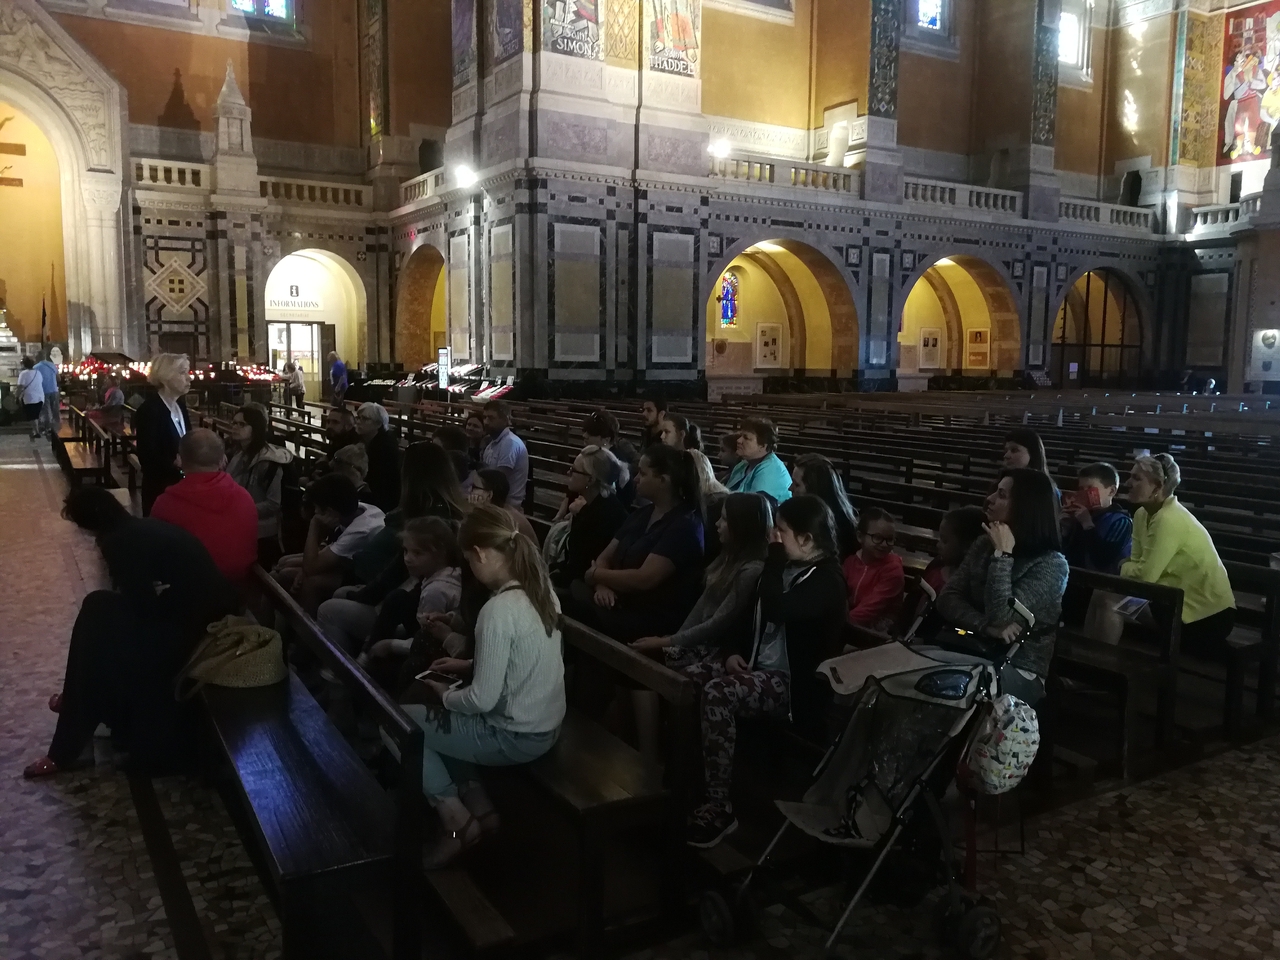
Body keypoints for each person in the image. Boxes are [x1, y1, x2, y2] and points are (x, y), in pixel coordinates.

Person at [24, 487, 238, 779]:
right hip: (199, 612)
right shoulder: (138, 527)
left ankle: (70, 729)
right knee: (96, 612)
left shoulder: (118, 541)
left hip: (195, 626)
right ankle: (75, 707)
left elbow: (143, 606)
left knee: (97, 632)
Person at [683, 494, 848, 848]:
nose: (774, 536)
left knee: (718, 694)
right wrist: (732, 653)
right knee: (689, 675)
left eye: (781, 531)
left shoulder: (828, 580)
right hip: (757, 670)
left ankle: (719, 806)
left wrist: (772, 560)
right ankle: (686, 779)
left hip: (794, 687)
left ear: (806, 539)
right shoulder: (782, 568)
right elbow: (746, 620)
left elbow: (777, 609)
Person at [406, 504, 565, 867]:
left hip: (514, 736)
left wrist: (446, 695)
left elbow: (481, 700)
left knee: (401, 724)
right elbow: (524, 662)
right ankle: (482, 809)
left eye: (468, 560)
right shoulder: (541, 590)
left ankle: (457, 823)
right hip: (545, 726)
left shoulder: (498, 611)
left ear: (478, 553)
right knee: (438, 727)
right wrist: (468, 665)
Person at [933, 468, 1069, 705]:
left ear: (1025, 507)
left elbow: (1002, 616)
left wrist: (1003, 556)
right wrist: (985, 627)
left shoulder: (1051, 565)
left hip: (1019, 666)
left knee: (944, 687)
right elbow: (947, 597)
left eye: (1002, 495)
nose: (990, 499)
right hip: (970, 648)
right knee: (907, 671)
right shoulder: (983, 544)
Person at [579, 445, 705, 641]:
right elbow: (604, 557)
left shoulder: (685, 526)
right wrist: (601, 585)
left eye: (643, 473)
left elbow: (644, 579)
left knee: (570, 606)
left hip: (649, 620)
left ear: (663, 480)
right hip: (617, 602)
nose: (636, 479)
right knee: (569, 597)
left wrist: (595, 574)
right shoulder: (642, 514)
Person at [1122, 454, 1236, 661]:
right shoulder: (1141, 514)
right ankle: (1095, 665)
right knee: (1106, 597)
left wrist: (1123, 567)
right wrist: (1130, 568)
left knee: (1109, 600)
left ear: (1158, 486)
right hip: (1172, 602)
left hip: (1206, 616)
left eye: (1137, 478)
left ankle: (1102, 668)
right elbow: (1137, 563)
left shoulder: (1169, 519)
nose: (1128, 483)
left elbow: (1144, 576)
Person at [631, 492, 772, 658]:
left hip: (717, 650)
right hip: (697, 641)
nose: (717, 523)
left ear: (741, 526)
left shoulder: (750, 571)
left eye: (725, 519)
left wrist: (668, 643)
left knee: (649, 652)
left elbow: (719, 623)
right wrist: (672, 640)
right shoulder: (727, 558)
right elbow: (702, 606)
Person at [150, 429, 260, 584]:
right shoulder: (244, 497)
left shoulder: (165, 504)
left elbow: (156, 554)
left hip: (189, 589)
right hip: (240, 584)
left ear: (179, 459)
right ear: (222, 460)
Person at [274, 473, 386, 612]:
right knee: (283, 563)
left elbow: (310, 567)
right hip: (347, 564)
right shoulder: (357, 509)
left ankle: (304, 623)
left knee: (304, 579)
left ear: (329, 511)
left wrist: (314, 525)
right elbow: (327, 548)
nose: (315, 511)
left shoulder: (360, 531)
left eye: (316, 507)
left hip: (364, 577)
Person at [550, 445, 630, 589]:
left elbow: (582, 567)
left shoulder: (605, 515)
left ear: (590, 480)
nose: (568, 472)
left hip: (590, 587)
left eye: (574, 470)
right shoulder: (592, 505)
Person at [226, 405, 295, 556]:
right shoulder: (238, 453)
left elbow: (273, 503)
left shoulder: (268, 461)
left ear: (256, 428)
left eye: (242, 424)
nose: (235, 427)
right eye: (234, 423)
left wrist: (241, 509)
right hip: (239, 524)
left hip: (262, 531)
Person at [135, 353, 192, 515]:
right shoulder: (150, 410)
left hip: (181, 487)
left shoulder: (180, 406)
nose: (189, 378)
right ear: (166, 376)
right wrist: (174, 463)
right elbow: (147, 456)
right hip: (160, 490)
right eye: (182, 372)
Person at [1061, 462, 1133, 574]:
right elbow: (1068, 555)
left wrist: (1087, 525)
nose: (1085, 493)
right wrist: (1065, 530)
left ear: (1111, 491)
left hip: (1101, 581)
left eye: (1090, 488)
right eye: (1081, 489)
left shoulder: (1121, 521)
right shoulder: (1079, 515)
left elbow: (1102, 562)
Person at [844, 507, 905, 632]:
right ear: (860, 537)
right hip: (852, 621)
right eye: (877, 538)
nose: (884, 544)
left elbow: (871, 608)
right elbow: (838, 592)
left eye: (889, 539)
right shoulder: (851, 561)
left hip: (878, 629)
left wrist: (840, 624)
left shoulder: (893, 570)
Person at [790, 453, 859, 559]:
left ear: (814, 490)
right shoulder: (803, 511)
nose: (790, 488)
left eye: (797, 485)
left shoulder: (838, 526)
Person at [922, 505, 987, 595]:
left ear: (967, 547)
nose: (938, 545)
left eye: (945, 541)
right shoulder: (936, 566)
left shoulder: (966, 590)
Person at [725, 417, 791, 504]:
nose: (739, 440)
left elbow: (754, 507)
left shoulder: (771, 471)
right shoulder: (743, 464)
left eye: (746, 438)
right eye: (740, 436)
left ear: (763, 445)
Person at [582, 408, 638, 505]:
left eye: (591, 433)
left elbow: (610, 500)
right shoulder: (593, 455)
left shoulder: (614, 463)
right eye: (585, 431)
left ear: (606, 439)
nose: (585, 435)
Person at [480, 400, 529, 510]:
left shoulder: (510, 443)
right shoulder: (492, 443)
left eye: (491, 418)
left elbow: (498, 482)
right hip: (493, 500)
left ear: (505, 420)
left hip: (507, 506)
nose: (486, 422)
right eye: (484, 417)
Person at [470, 468, 538, 544]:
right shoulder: (498, 511)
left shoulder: (505, 519)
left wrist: (476, 512)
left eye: (474, 487)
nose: (470, 491)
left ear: (489, 495)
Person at [354, 402, 402, 512]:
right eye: (358, 417)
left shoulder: (385, 447)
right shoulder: (362, 439)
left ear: (378, 424)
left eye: (365, 419)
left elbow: (379, 481)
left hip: (382, 500)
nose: (359, 421)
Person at [17, 356, 44, 440]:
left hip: (29, 398)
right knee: (36, 415)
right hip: (40, 396)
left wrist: (17, 396)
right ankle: (36, 430)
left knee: (32, 416)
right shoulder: (38, 372)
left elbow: (20, 387)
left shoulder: (23, 374)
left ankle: (36, 432)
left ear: (24, 365)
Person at [34, 352, 60, 437]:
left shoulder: (36, 367)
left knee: (46, 410)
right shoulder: (52, 365)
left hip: (44, 390)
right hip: (54, 390)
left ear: (37, 358)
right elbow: (58, 378)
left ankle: (48, 428)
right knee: (55, 409)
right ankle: (57, 427)